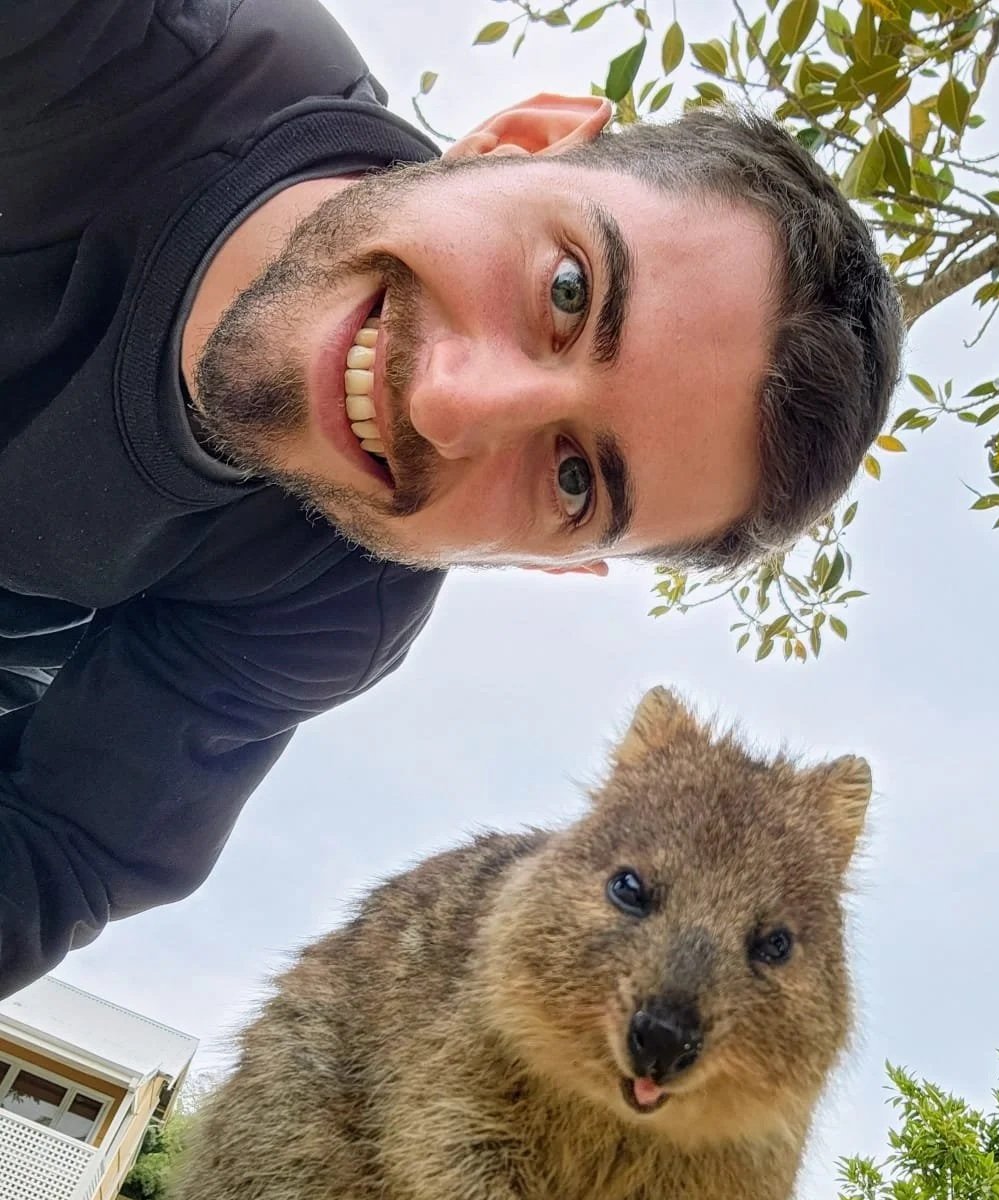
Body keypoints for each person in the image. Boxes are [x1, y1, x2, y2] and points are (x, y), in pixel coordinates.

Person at [0, 0, 904, 998]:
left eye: (572, 477)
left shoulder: (329, 594)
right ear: (514, 141)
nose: (447, 401)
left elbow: (57, 849)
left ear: (545, 560)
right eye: (569, 290)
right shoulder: (105, 39)